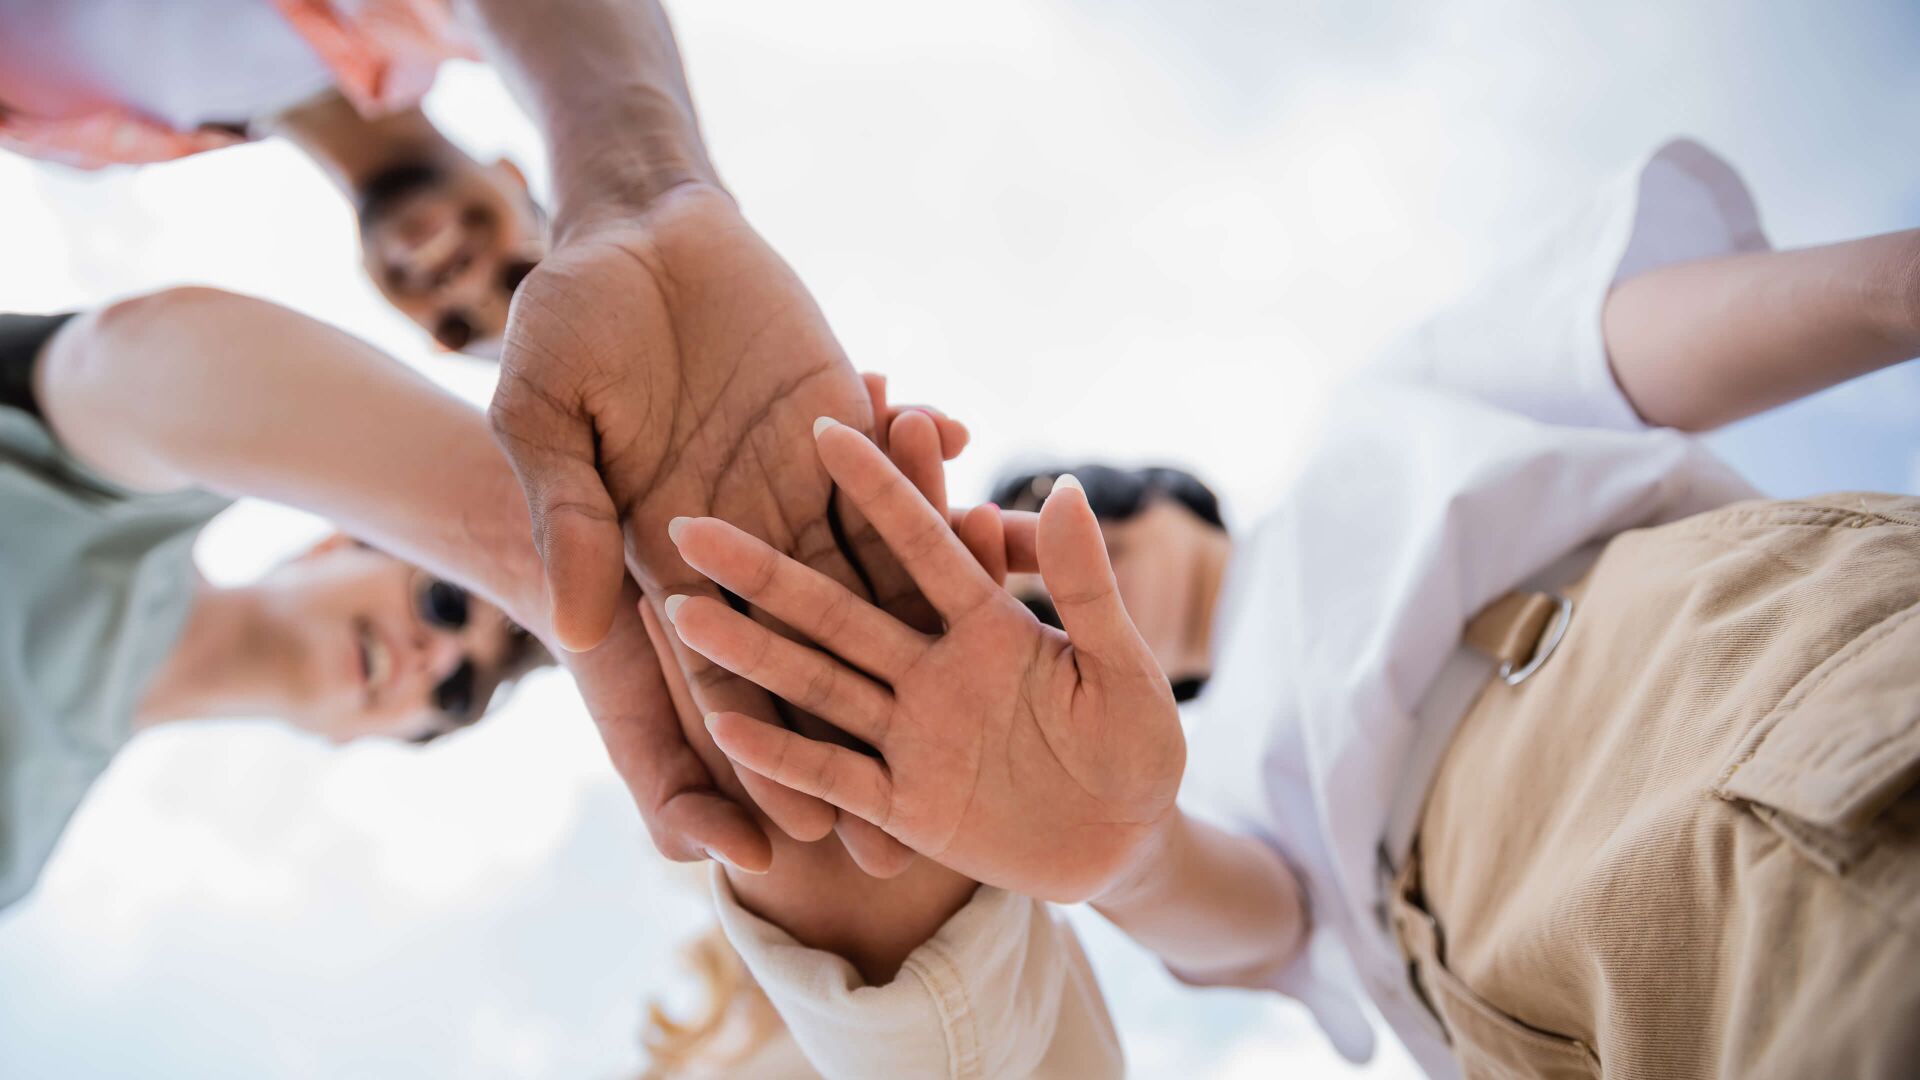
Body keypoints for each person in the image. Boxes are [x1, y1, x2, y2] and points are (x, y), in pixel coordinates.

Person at [650, 140, 1920, 1077]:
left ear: (1152, 490)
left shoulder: (1370, 432)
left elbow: (1624, 352)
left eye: (1063, 509)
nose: (1056, 568)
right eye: (1025, 609)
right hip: (1508, 1008)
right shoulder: (1180, 773)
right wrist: (1124, 845)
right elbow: (1264, 918)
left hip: (1681, 681)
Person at [0, 3, 545, 354]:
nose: (462, 286)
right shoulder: (441, 11)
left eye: (453, 326)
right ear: (514, 175)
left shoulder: (79, 146)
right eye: (517, 277)